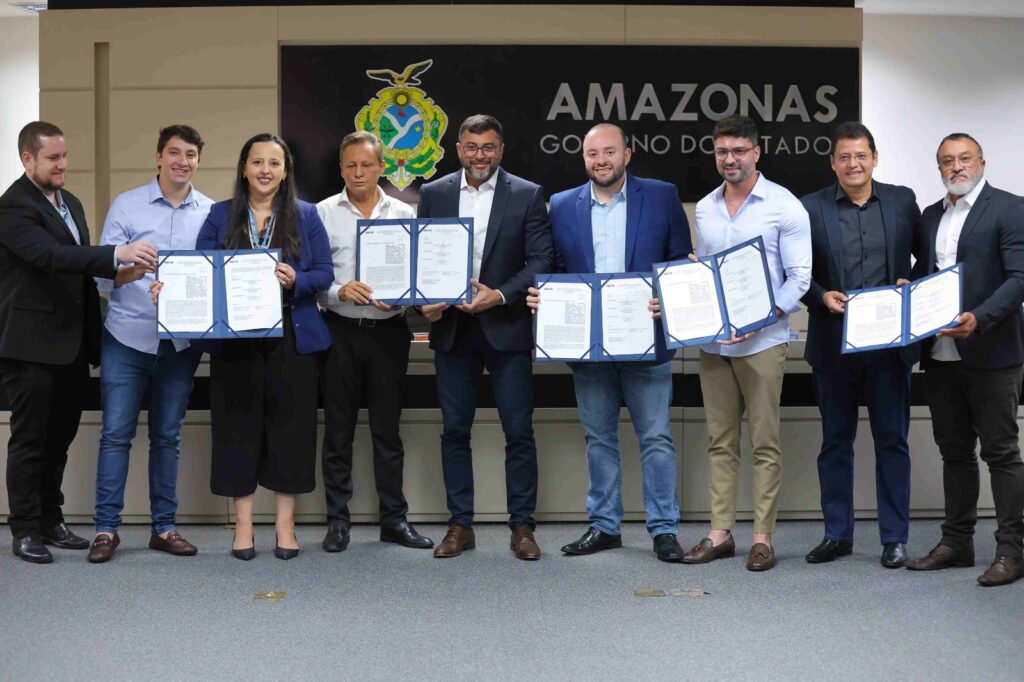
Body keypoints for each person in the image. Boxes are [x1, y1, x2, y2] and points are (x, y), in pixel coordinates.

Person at [154, 133, 332, 560]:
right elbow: (200, 272)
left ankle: (286, 528)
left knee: (291, 429)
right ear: (244, 168)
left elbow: (325, 272)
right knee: (238, 430)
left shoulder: (306, 216)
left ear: (286, 171)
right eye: (257, 162)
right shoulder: (220, 215)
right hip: (236, 342)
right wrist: (172, 289)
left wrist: (298, 280)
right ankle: (245, 528)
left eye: (274, 163)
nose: (265, 170)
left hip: (292, 336)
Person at [527, 123, 691, 562]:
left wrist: (667, 295)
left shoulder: (660, 196)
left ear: (628, 154)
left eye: (609, 152)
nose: (601, 160)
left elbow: (679, 261)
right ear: (584, 159)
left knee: (656, 437)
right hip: (589, 347)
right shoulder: (561, 205)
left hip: (646, 339)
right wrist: (547, 298)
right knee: (599, 438)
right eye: (592, 154)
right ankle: (604, 526)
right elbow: (556, 268)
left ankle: (663, 530)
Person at [0, 121, 157, 563]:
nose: (63, 164)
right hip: (29, 346)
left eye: (65, 156)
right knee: (30, 441)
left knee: (59, 440)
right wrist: (115, 254)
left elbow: (77, 267)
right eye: (53, 158)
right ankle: (26, 529)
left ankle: (52, 520)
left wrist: (120, 273)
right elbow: (49, 257)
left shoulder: (68, 201)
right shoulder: (12, 207)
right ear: (27, 158)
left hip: (70, 345)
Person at [417, 114, 554, 560]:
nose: (480, 155)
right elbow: (422, 256)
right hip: (452, 329)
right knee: (454, 431)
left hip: (507, 327)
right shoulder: (434, 193)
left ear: (501, 149)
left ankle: (522, 528)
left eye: (489, 147)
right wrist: (424, 298)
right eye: (472, 147)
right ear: (458, 148)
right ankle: (461, 526)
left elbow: (540, 260)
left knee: (519, 431)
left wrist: (498, 295)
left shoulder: (528, 194)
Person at [678, 115, 811, 571]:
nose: (729, 159)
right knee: (720, 441)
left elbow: (800, 278)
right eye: (721, 151)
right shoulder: (707, 207)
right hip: (715, 345)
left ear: (756, 152)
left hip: (764, 343)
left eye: (738, 150)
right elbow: (709, 272)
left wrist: (762, 317)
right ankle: (720, 534)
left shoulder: (785, 206)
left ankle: (762, 537)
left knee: (765, 443)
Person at [85, 125, 213, 563]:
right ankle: (105, 531)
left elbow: (216, 279)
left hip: (180, 345)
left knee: (168, 437)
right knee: (115, 435)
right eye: (174, 152)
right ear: (158, 157)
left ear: (199, 160)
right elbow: (103, 278)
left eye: (190, 154)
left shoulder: (211, 213)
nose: (182, 161)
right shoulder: (127, 205)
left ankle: (164, 528)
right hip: (127, 337)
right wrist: (131, 271)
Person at [799, 122, 922, 569]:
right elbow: (795, 271)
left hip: (890, 349)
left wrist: (916, 284)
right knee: (835, 442)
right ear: (833, 163)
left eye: (861, 156)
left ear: (875, 158)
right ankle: (837, 534)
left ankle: (894, 538)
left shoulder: (902, 201)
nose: (853, 164)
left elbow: (925, 258)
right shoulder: (809, 208)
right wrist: (819, 296)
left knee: (892, 441)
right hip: (833, 345)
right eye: (844, 157)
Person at [905, 133, 1024, 586]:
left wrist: (980, 317)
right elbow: (928, 275)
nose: (956, 166)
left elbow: (1018, 279)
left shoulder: (1010, 208)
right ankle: (957, 543)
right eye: (947, 161)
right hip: (940, 354)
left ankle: (1012, 550)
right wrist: (906, 291)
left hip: (993, 351)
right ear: (939, 168)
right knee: (954, 452)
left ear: (982, 162)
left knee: (1001, 453)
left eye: (964, 158)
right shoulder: (931, 216)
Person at [316, 131, 433, 552]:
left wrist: (409, 298)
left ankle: (393, 519)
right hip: (339, 332)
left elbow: (419, 274)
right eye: (351, 165)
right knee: (338, 431)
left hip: (388, 334)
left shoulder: (405, 212)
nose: (359, 172)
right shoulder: (322, 213)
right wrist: (338, 291)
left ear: (382, 167)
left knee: (388, 432)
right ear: (341, 169)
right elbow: (312, 275)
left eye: (367, 164)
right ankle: (338, 521)